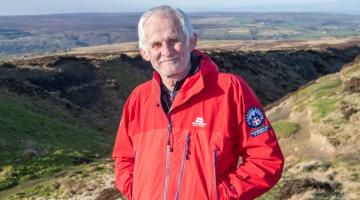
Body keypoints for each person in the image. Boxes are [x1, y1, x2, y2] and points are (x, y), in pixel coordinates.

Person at [112, 5, 284, 200]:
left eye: (174, 40)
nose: (166, 51)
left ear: (192, 41)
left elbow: (266, 160)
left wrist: (217, 195)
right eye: (156, 45)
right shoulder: (138, 98)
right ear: (144, 52)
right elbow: (124, 159)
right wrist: (137, 192)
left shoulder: (230, 90)